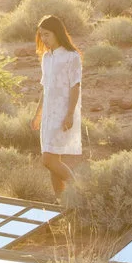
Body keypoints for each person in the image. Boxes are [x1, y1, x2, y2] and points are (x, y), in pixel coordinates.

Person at [34, 14, 82, 196]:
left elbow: (75, 86)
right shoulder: (46, 58)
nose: (44, 39)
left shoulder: (71, 56)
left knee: (48, 160)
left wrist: (69, 114)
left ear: (57, 33)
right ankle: (62, 204)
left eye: (47, 34)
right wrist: (37, 114)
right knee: (53, 162)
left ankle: (80, 194)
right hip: (47, 115)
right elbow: (44, 88)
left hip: (62, 113)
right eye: (41, 35)